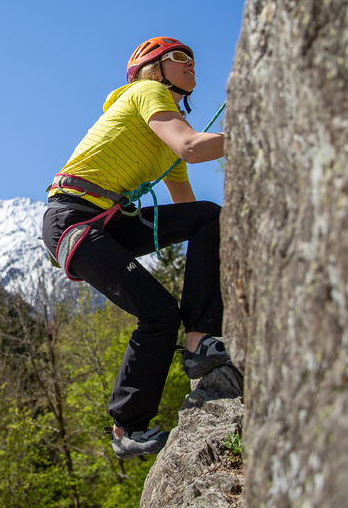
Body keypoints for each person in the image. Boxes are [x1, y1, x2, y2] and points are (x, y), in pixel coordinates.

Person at [41, 36, 230, 460]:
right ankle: (127, 426)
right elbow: (192, 146)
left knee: (208, 216)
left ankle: (200, 342)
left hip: (104, 221)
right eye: (179, 58)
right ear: (152, 68)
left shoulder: (166, 133)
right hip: (74, 218)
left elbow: (190, 209)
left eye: (193, 59)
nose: (191, 65)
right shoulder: (148, 92)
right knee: (159, 312)